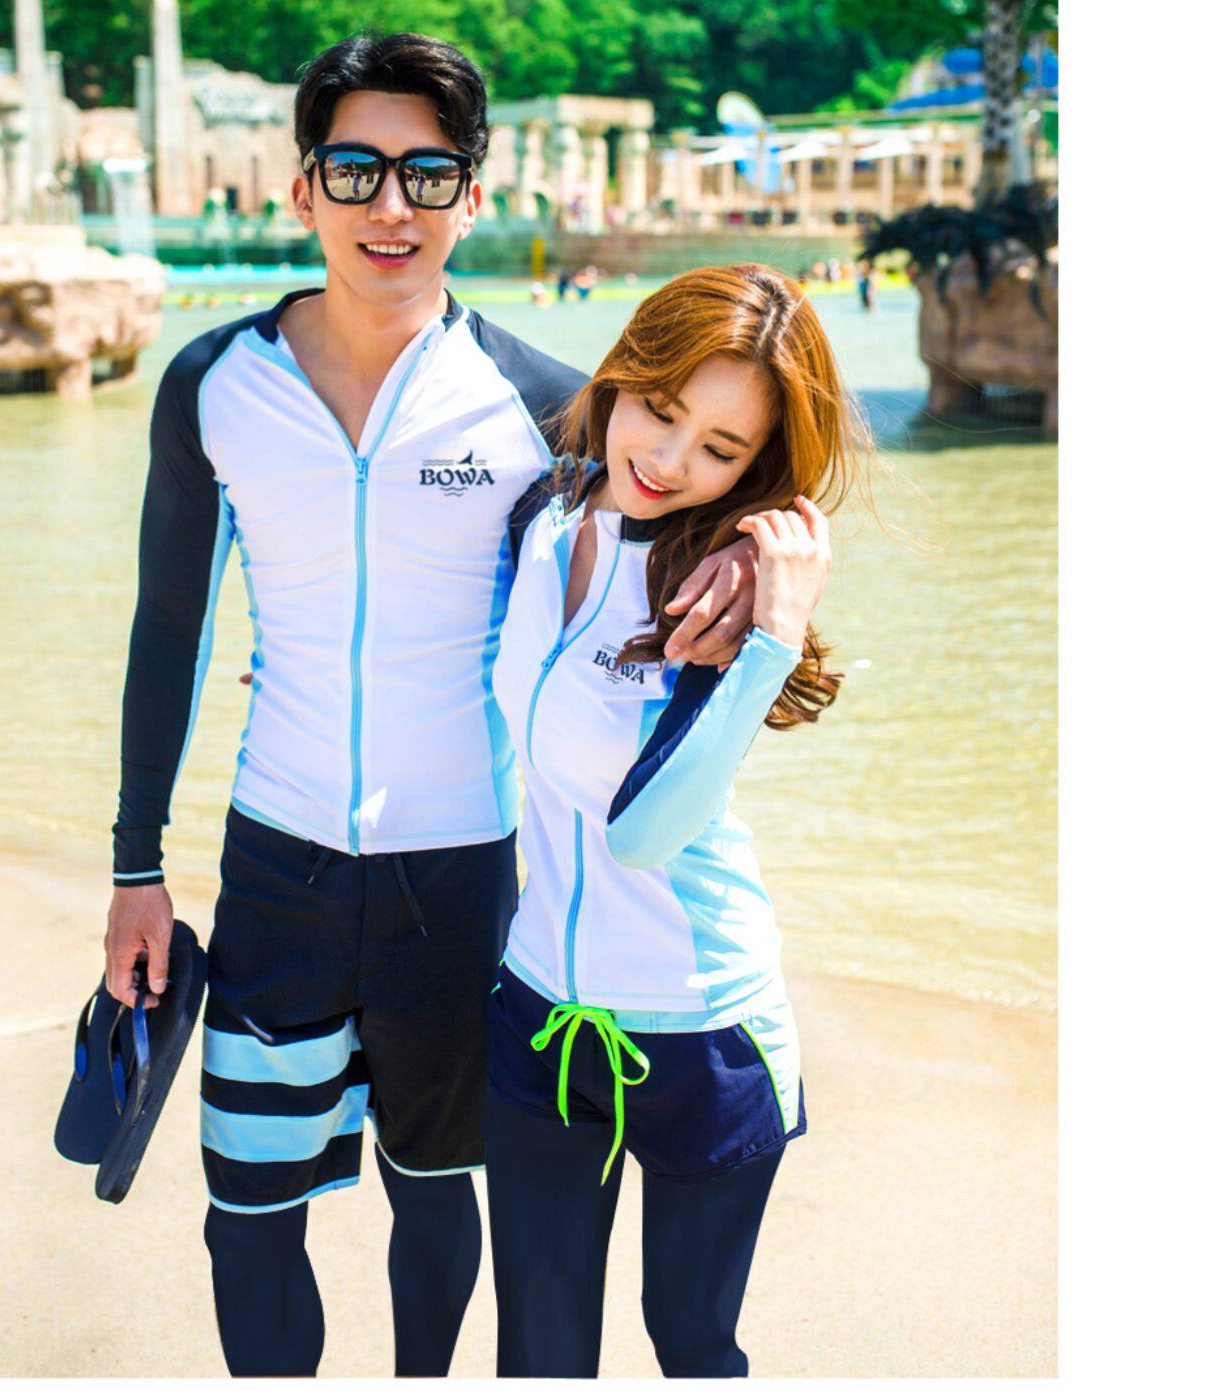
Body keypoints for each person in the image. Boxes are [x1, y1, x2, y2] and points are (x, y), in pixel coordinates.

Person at [104, 32, 760, 1379]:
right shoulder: (214, 385)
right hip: (276, 865)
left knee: (436, 1192)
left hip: (460, 878)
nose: (390, 205)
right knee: (247, 1211)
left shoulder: (544, 406)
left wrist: (771, 553)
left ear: (474, 193)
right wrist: (134, 868)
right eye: (356, 169)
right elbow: (172, 629)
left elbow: (698, 482)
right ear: (303, 190)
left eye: (427, 172)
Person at [485, 263, 869, 1377]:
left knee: (692, 1346)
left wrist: (772, 643)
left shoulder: (713, 594)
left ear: (755, 469)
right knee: (539, 1353)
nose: (666, 459)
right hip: (538, 1013)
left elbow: (644, 834)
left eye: (719, 448)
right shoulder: (547, 514)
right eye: (660, 409)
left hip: (707, 1035)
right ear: (624, 373)